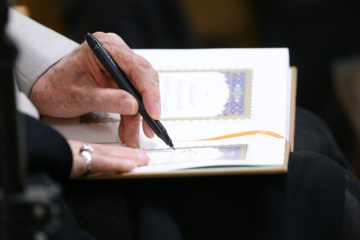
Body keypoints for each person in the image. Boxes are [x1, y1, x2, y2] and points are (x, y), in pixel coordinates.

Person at [3, 4, 360, 240]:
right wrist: (38, 148)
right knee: (317, 192)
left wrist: (44, 68)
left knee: (305, 130)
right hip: (22, 179)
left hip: (23, 123)